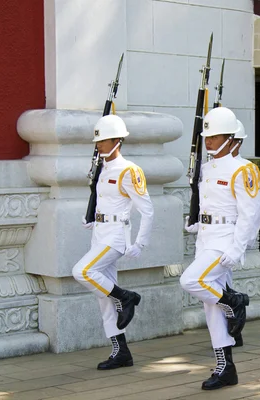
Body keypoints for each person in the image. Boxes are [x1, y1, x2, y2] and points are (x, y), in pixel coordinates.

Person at [180, 106, 260, 390]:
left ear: (229, 138)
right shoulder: (207, 167)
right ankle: (225, 367)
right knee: (209, 305)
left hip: (226, 240)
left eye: (214, 136)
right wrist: (196, 223)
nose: (208, 140)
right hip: (206, 238)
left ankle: (233, 300)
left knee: (191, 280)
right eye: (207, 136)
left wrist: (239, 248)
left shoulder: (244, 169)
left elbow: (251, 214)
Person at [72, 114, 154, 370]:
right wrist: (92, 219)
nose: (99, 145)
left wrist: (140, 243)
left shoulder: (129, 170)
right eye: (98, 140)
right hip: (100, 233)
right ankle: (121, 352)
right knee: (103, 297)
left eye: (104, 140)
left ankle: (126, 297)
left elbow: (147, 209)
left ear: (117, 141)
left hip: (116, 236)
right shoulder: (103, 168)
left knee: (83, 271)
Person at [225, 118, 260, 347]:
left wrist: (246, 238)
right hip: (212, 233)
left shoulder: (245, 169)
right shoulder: (211, 167)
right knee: (219, 286)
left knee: (217, 285)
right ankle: (232, 328)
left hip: (233, 234)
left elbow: (254, 208)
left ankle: (232, 325)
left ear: (237, 143)